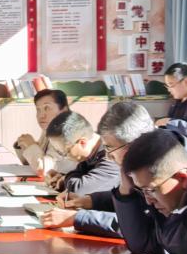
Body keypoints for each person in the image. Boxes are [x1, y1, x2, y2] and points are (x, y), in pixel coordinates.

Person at [53, 101, 158, 237]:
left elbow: (140, 225)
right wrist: (89, 201)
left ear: (132, 143)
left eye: (109, 148)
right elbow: (134, 200)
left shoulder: (162, 168)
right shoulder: (141, 161)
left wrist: (77, 218)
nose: (108, 156)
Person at [37, 111, 119, 230]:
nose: (65, 157)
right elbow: (77, 176)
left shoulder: (111, 155)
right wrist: (65, 177)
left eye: (65, 152)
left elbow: (79, 189)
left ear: (82, 142)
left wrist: (66, 178)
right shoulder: (91, 154)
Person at [13, 89, 74, 175]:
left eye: (47, 108)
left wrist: (31, 145)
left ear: (64, 110)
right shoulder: (50, 128)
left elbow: (43, 169)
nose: (41, 115)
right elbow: (33, 163)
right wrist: (24, 146)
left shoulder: (65, 133)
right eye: (38, 110)